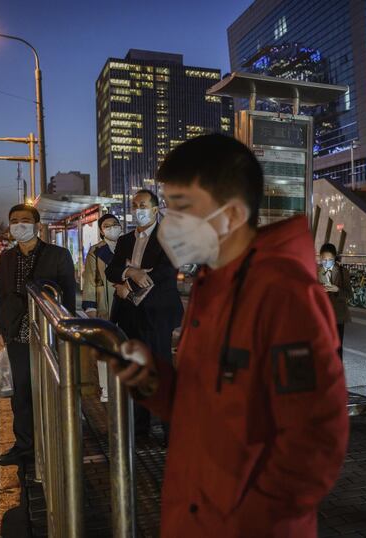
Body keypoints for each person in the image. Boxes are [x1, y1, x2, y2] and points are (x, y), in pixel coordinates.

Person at [105, 134, 348, 537]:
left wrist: (250, 518)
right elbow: (205, 401)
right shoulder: (214, 283)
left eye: (181, 208)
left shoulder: (283, 293)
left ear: (231, 214)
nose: (170, 222)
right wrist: (151, 380)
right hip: (196, 510)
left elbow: (314, 441)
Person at [0, 204, 75, 466]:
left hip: (47, 335)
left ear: (37, 225)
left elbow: (68, 298)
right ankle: (24, 446)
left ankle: (55, 441)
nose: (19, 225)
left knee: (49, 391)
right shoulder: (6, 258)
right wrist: (2, 328)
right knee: (21, 394)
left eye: (25, 220)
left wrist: (66, 330)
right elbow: (1, 295)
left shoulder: (57, 255)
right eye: (14, 220)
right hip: (17, 334)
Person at [106, 189, 183, 437]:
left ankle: (170, 431)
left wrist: (130, 283)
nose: (138, 209)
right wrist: (131, 272)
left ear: (155, 209)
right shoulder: (126, 240)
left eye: (143, 205)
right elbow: (112, 271)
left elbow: (165, 272)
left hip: (157, 314)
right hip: (130, 316)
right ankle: (140, 428)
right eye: (135, 205)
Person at [82, 213, 122, 402]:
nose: (112, 227)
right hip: (105, 304)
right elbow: (89, 279)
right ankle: (106, 387)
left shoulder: (128, 246)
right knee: (105, 347)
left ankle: (124, 384)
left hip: (127, 303)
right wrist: (90, 306)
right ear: (101, 230)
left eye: (115, 224)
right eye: (107, 225)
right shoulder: (96, 251)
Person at [317, 243, 351, 360]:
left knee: (337, 348)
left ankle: (336, 373)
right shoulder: (315, 271)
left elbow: (349, 294)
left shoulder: (342, 272)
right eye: (324, 259)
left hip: (338, 316)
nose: (327, 262)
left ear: (335, 258)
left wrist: (337, 290)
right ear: (320, 258)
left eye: (330, 259)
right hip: (320, 316)